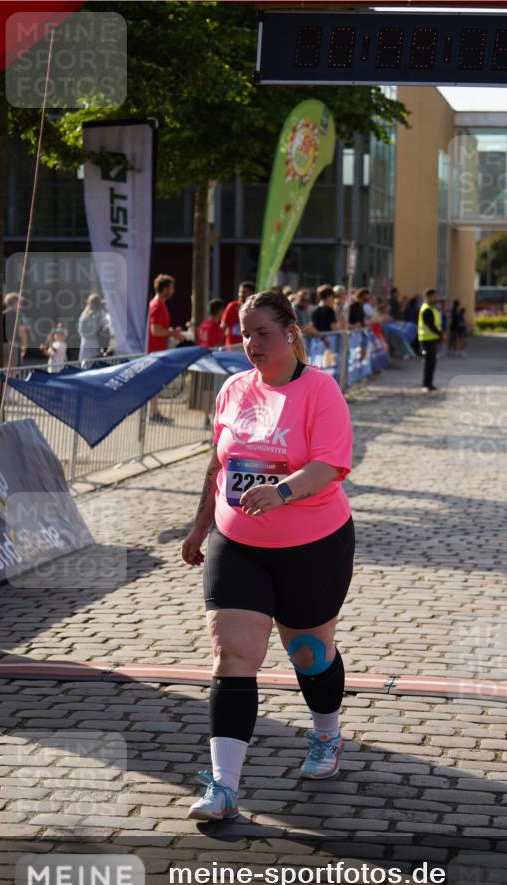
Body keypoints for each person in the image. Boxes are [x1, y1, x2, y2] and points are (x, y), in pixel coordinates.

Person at [181, 289, 355, 821]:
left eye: (261, 332)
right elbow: (220, 465)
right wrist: (199, 526)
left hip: (313, 544)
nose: (250, 343)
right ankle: (225, 786)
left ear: (291, 333)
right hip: (238, 545)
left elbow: (329, 465)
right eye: (244, 333)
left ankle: (327, 735)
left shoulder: (320, 391)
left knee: (307, 652)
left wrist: (281, 492)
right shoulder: (233, 389)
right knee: (233, 656)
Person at [147, 274, 186, 422]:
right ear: (164, 289)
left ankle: (154, 412)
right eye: (171, 287)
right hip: (154, 351)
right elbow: (155, 330)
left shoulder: (159, 304)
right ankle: (153, 414)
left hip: (157, 350)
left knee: (155, 383)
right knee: (154, 383)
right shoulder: (157, 305)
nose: (173, 290)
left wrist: (171, 331)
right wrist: (173, 333)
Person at [417, 288, 442, 392]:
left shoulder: (432, 308)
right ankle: (426, 384)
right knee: (429, 363)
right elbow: (430, 325)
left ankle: (429, 384)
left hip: (432, 339)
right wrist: (441, 334)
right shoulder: (426, 309)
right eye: (433, 296)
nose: (435, 298)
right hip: (427, 339)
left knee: (432, 363)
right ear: (428, 297)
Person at [221, 281, 255, 352]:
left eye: (244, 292)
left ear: (252, 294)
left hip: (248, 347)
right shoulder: (232, 306)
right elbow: (223, 326)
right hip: (232, 347)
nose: (241, 294)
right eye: (240, 292)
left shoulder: (255, 308)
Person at [78, 293, 109, 364]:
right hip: (95, 340)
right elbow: (106, 324)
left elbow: (80, 328)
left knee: (84, 362)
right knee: (95, 362)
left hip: (85, 341)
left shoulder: (85, 313)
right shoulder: (100, 312)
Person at [2, 293, 29, 368]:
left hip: (3, 345)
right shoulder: (18, 314)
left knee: (5, 367)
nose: (21, 305)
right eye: (20, 302)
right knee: (14, 368)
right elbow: (21, 330)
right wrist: (25, 345)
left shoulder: (2, 314)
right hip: (14, 345)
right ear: (15, 302)